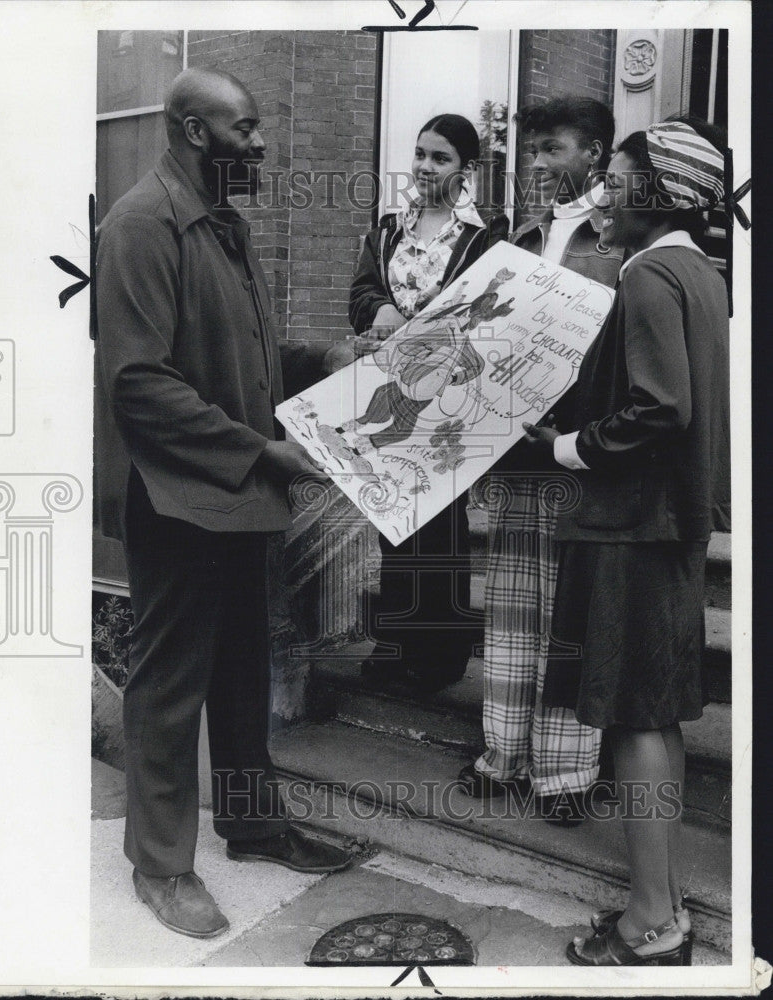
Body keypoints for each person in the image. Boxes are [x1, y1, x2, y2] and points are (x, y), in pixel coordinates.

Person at [94, 66, 351, 940]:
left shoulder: (224, 224)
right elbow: (139, 382)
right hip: (180, 501)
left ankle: (251, 824)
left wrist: (329, 360)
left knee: (244, 671)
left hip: (241, 498)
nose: (262, 143)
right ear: (194, 131)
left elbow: (244, 353)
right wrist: (262, 450)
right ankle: (160, 867)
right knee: (169, 685)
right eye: (245, 128)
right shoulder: (140, 223)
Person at [523, 117, 730, 965]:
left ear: (657, 192)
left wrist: (570, 445)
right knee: (658, 718)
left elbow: (660, 407)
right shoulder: (701, 273)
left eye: (615, 177)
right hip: (671, 526)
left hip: (633, 527)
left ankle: (653, 925)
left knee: (637, 722)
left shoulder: (648, 277)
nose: (602, 191)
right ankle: (663, 902)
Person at [457, 96, 625, 825]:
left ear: (592, 152)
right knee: (514, 610)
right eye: (531, 151)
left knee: (572, 614)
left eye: (550, 148)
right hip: (517, 450)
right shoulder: (518, 238)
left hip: (584, 453)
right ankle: (503, 754)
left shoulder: (619, 241)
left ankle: (566, 773)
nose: (535, 164)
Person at [339, 113, 509, 693]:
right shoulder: (388, 230)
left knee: (440, 525)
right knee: (395, 518)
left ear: (467, 170)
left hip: (448, 396)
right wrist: (377, 310)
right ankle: (394, 644)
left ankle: (437, 657)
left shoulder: (485, 237)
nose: (425, 167)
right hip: (391, 384)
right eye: (419, 154)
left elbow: (492, 311)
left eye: (440, 158)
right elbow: (362, 290)